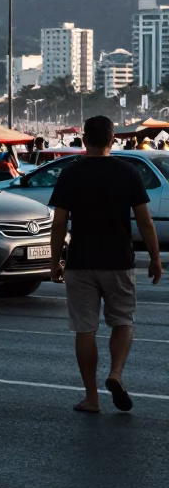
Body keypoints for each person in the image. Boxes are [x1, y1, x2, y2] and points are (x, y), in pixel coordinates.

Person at [49, 115, 161, 414]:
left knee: (85, 329)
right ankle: (116, 374)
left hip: (81, 261)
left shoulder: (70, 174)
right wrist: (154, 257)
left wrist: (54, 261)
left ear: (84, 140)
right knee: (123, 320)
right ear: (113, 140)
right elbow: (145, 221)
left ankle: (91, 397)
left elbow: (59, 223)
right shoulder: (128, 172)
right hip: (118, 260)